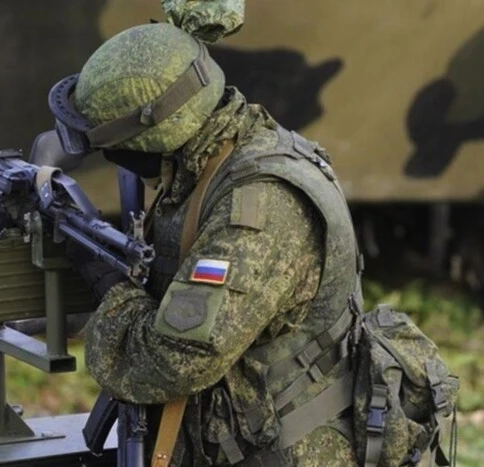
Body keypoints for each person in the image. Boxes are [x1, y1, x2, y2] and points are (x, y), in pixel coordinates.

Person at [49, 22, 363, 466]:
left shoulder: (259, 206)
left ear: (155, 132)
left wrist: (108, 286)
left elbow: (175, 361)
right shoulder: (208, 157)